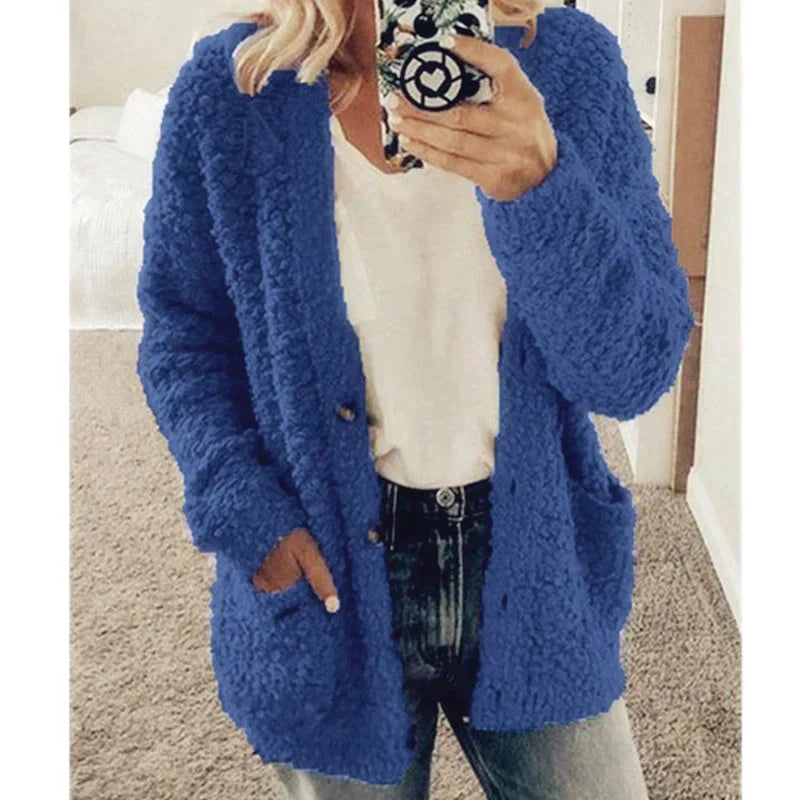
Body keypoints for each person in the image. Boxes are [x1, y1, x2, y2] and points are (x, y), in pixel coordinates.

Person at [136, 1, 695, 798]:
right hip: (328, 578)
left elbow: (633, 371)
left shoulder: (571, 68)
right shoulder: (233, 89)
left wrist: (540, 181)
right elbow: (182, 334)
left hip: (535, 564)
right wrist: (247, 513)